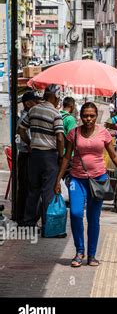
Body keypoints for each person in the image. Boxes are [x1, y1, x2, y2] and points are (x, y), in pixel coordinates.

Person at [54, 102, 117, 267]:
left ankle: (91, 255)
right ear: (80, 116)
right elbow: (66, 158)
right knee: (76, 214)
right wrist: (58, 180)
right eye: (85, 116)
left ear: (96, 116)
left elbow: (113, 156)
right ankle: (79, 252)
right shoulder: (73, 133)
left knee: (93, 218)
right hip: (77, 179)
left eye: (92, 115)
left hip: (98, 180)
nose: (88, 119)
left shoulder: (104, 133)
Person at [18, 84, 64, 230]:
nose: (58, 100)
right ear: (54, 96)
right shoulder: (55, 113)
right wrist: (61, 155)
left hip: (34, 155)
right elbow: (60, 138)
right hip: (49, 156)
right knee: (48, 192)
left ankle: (29, 223)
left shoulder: (33, 110)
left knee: (33, 190)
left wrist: (30, 143)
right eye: (58, 97)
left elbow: (21, 130)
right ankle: (47, 225)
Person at [16, 91, 40, 225]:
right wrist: (31, 144)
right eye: (34, 101)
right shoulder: (26, 117)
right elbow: (21, 134)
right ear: (27, 103)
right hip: (25, 156)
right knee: (26, 188)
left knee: (29, 187)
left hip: (29, 156)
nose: (36, 103)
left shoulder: (31, 115)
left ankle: (25, 218)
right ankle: (22, 219)